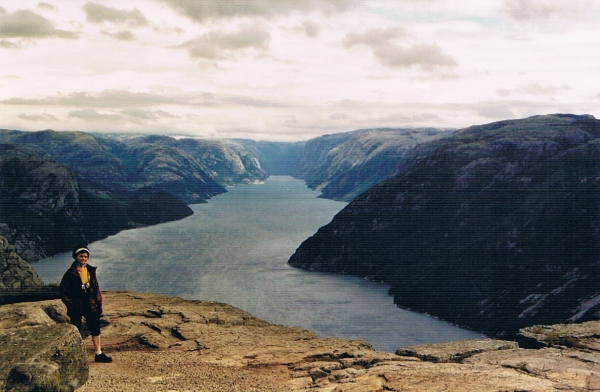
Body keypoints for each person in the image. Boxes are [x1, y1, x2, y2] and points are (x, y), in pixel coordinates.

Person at [60, 245, 112, 363]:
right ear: (76, 257)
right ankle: (76, 355)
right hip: (77, 305)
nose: (83, 258)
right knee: (76, 330)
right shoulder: (70, 273)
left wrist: (98, 303)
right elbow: (64, 292)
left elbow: (96, 288)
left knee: (95, 328)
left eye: (85, 256)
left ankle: (98, 353)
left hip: (89, 303)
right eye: (81, 256)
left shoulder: (90, 270)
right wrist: (71, 306)